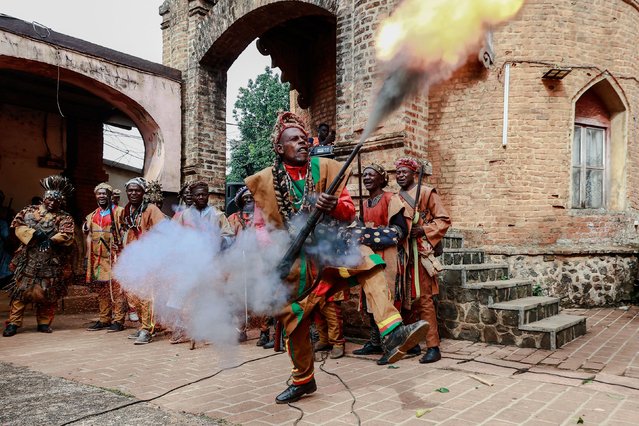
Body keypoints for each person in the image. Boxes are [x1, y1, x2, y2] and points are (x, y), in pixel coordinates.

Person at [244, 111, 429, 404]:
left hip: (329, 249)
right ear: (279, 148)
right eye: (294, 140)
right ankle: (303, 380)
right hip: (291, 261)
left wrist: (331, 207)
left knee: (368, 261)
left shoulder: (326, 168)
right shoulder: (264, 181)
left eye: (305, 139)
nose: (303, 144)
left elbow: (348, 212)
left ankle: (392, 331)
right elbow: (260, 227)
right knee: (296, 324)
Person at [351, 163, 412, 364]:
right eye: (364, 175)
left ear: (382, 178)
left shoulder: (391, 198)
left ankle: (391, 345)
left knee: (386, 296)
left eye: (371, 174)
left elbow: (400, 230)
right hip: (369, 255)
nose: (367, 178)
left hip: (388, 255)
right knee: (370, 297)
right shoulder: (366, 203)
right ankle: (375, 341)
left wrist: (371, 235)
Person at [395, 157, 451, 364]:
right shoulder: (395, 197)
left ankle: (433, 346)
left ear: (413, 173)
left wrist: (423, 230)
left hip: (422, 252)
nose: (400, 175)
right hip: (403, 254)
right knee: (406, 300)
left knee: (425, 299)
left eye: (404, 172)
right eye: (397, 172)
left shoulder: (427, 192)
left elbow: (443, 220)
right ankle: (411, 344)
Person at [3, 176, 75, 337]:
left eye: (56, 201)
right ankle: (13, 323)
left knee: (48, 293)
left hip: (52, 261)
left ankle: (43, 323)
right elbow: (18, 226)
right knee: (20, 292)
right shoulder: (29, 211)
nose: (52, 203)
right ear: (44, 198)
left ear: (61, 202)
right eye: (49, 199)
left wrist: (51, 240)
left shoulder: (64, 217)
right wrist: (34, 233)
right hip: (28, 258)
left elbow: (68, 235)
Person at [171, 180, 234, 344]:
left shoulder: (218, 215)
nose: (200, 197)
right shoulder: (183, 216)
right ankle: (188, 330)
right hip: (189, 264)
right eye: (197, 194)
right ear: (191, 196)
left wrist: (221, 242)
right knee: (187, 298)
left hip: (212, 264)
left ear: (208, 196)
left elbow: (229, 236)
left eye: (203, 194)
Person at [119, 177, 167, 344]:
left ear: (143, 192)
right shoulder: (127, 210)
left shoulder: (151, 209)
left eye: (137, 190)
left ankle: (147, 329)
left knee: (147, 293)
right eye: (130, 190)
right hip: (132, 258)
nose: (133, 193)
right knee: (133, 293)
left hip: (148, 258)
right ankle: (143, 325)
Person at [83, 183, 127, 332]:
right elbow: (89, 237)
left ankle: (119, 320)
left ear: (109, 195)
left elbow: (126, 233)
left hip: (115, 257)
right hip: (98, 259)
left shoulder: (120, 212)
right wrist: (87, 257)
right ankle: (104, 319)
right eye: (99, 193)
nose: (101, 196)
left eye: (104, 193)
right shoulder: (92, 216)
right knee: (102, 289)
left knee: (117, 289)